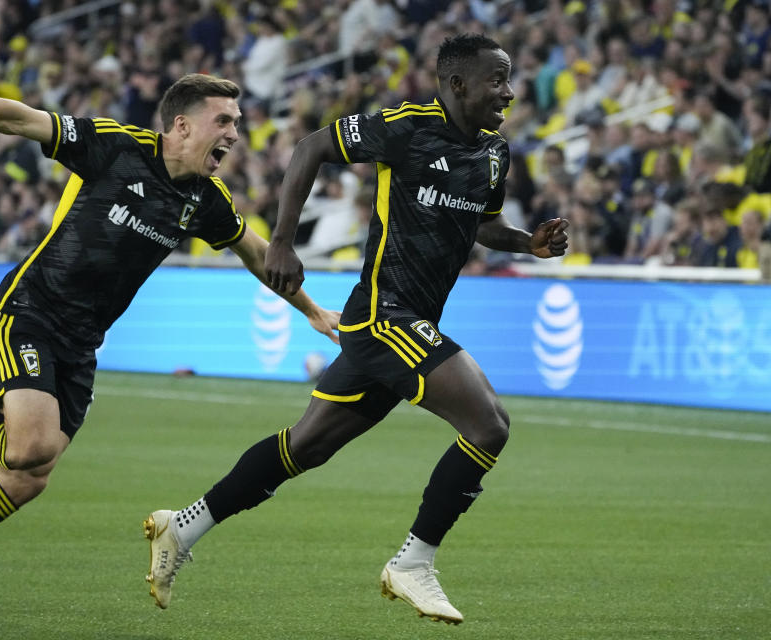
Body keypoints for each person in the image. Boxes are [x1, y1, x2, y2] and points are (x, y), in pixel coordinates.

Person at [0, 66, 340, 612]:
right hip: (31, 313)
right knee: (28, 447)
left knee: (28, 478)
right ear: (181, 125)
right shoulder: (113, 146)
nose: (233, 134)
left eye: (238, 123)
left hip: (82, 345)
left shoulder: (206, 199)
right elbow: (18, 118)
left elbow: (255, 252)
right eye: (223, 120)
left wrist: (312, 310)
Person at [144, 33, 569, 625]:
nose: (509, 91)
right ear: (456, 85)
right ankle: (413, 563)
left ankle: (182, 527)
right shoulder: (406, 126)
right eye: (496, 80)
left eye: (509, 79)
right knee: (489, 424)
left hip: (408, 323)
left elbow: (481, 224)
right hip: (384, 315)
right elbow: (310, 147)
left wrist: (528, 244)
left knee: (305, 447)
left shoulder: (495, 152)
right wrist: (284, 242)